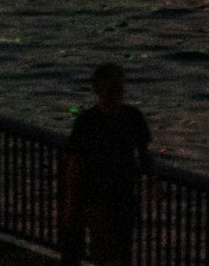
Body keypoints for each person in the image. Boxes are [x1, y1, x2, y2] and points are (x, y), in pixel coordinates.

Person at [63, 62, 152, 266]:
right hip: (97, 198)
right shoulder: (87, 122)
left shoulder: (133, 117)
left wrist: (151, 180)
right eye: (111, 89)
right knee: (105, 250)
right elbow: (75, 163)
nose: (115, 94)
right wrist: (72, 203)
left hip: (124, 197)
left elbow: (144, 154)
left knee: (119, 250)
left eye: (118, 88)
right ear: (98, 89)